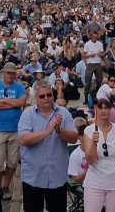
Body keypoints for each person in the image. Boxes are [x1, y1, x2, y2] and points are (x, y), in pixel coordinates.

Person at [18, 80, 78, 212]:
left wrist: (59, 130)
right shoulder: (27, 115)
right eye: (42, 96)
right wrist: (47, 131)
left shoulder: (64, 112)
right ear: (35, 97)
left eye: (49, 95)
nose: (46, 98)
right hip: (34, 177)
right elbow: (23, 139)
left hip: (57, 176)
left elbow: (74, 138)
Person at [0, 62, 26, 200]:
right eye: (8, 72)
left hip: (15, 130)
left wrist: (3, 102)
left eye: (12, 73)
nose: (10, 75)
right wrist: (12, 102)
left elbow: (21, 102)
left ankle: (6, 185)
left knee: (12, 162)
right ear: (4, 72)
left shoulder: (19, 86)